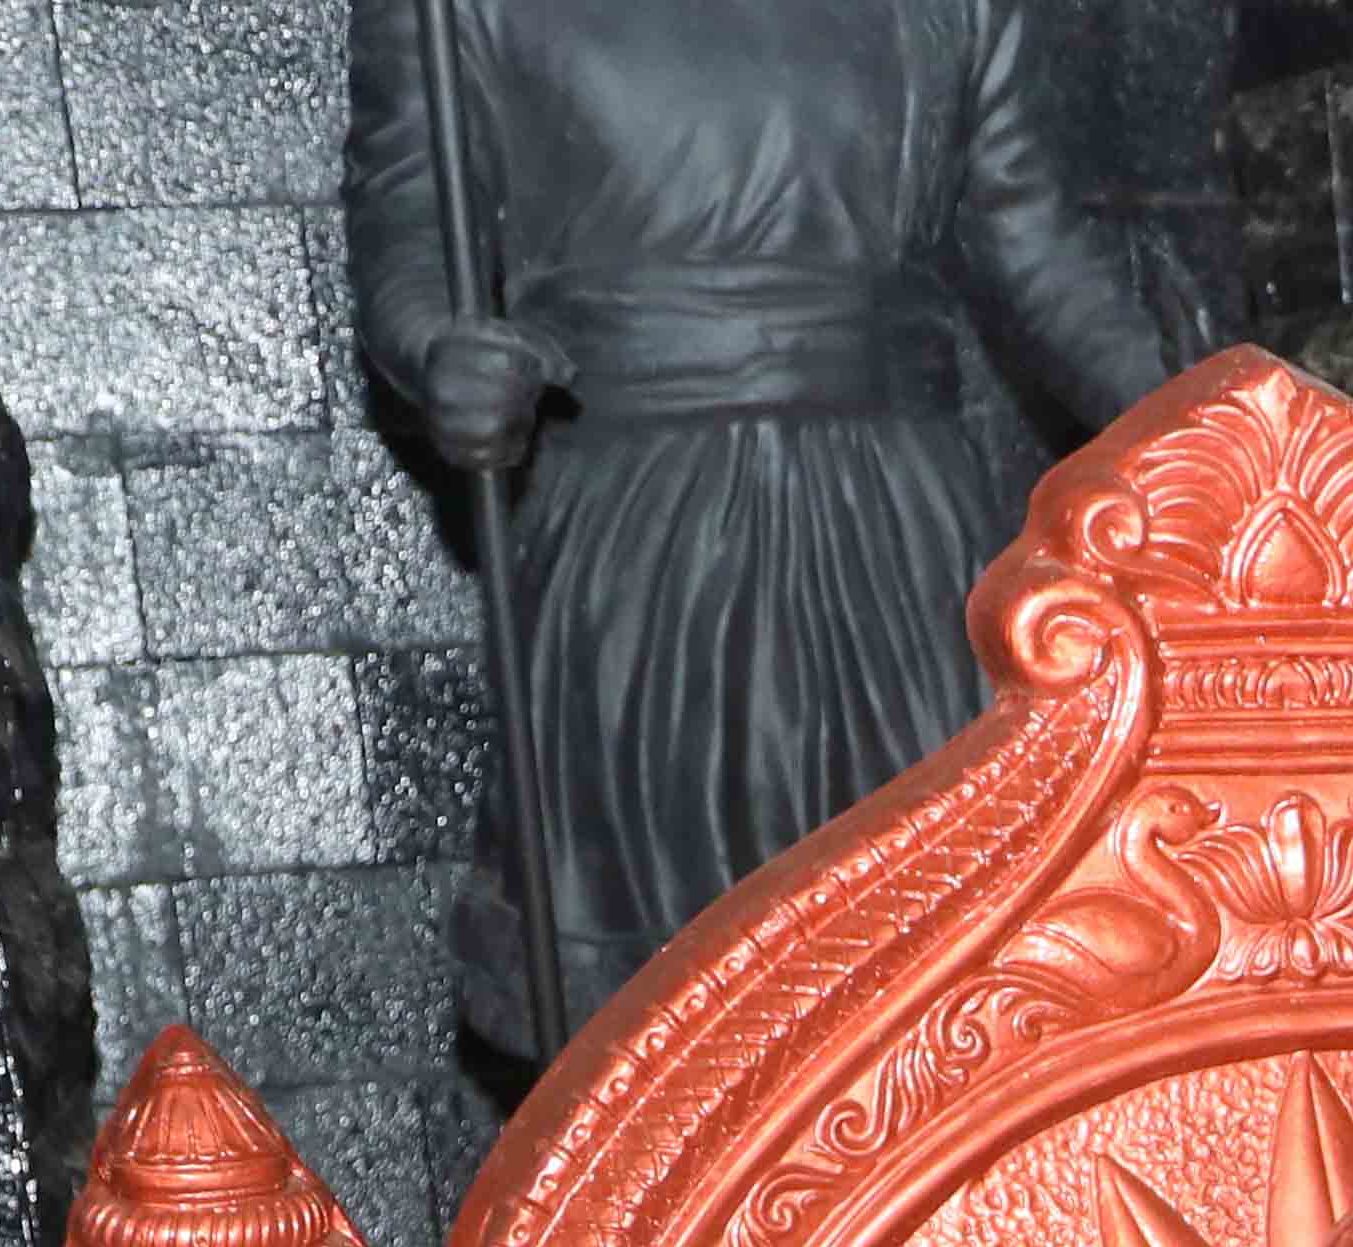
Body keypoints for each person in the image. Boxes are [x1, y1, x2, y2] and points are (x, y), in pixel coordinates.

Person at [347, 0, 1201, 1052]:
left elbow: (1034, 248)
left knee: (950, 1009)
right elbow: (411, 234)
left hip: (904, 551)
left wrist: (1205, 435)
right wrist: (443, 354)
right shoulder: (454, 12)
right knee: (672, 1041)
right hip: (647, 562)